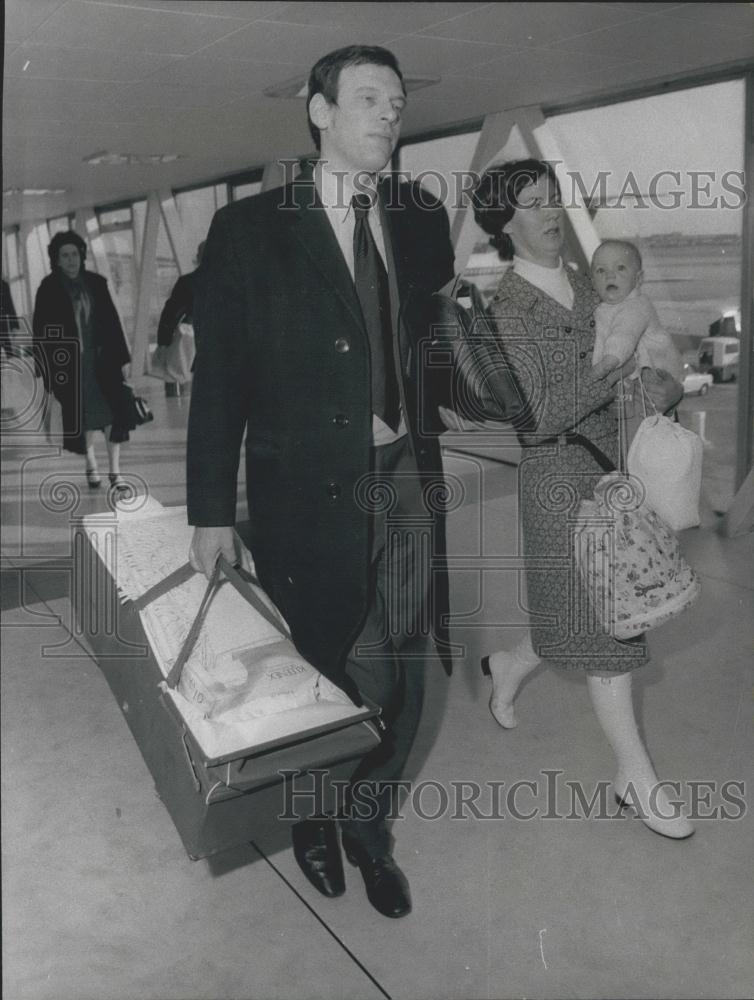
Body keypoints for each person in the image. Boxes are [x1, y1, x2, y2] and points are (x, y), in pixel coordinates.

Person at [186, 45, 455, 918]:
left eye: (398, 101)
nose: (388, 114)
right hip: (304, 487)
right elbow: (221, 379)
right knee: (315, 659)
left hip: (405, 473)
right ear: (319, 111)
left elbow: (425, 346)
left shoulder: (419, 216)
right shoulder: (252, 228)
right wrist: (208, 512)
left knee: (401, 660)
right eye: (369, 98)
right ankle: (310, 816)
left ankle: (367, 828)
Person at [472, 159, 694, 840]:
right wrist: (616, 370)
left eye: (552, 199)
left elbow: (657, 357)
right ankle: (636, 776)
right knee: (610, 631)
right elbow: (539, 416)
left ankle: (509, 665)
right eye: (531, 205)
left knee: (581, 613)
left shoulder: (591, 280)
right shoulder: (507, 308)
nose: (549, 213)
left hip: (613, 473)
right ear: (504, 225)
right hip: (557, 481)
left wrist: (667, 387)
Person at [32, 231, 132, 494]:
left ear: (81, 255)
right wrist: (45, 371)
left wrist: (123, 358)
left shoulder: (97, 283)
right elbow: (40, 329)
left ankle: (116, 471)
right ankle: (91, 466)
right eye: (64, 255)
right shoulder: (48, 287)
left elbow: (112, 322)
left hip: (103, 362)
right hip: (71, 367)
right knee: (84, 419)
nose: (71, 260)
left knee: (113, 416)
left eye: (74, 254)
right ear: (56, 259)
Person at [590, 239, 683, 381]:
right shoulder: (601, 309)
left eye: (620, 268)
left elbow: (624, 335)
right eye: (601, 270)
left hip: (657, 372)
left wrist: (605, 364)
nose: (610, 275)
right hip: (629, 374)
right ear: (593, 282)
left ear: (638, 279)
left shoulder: (637, 305)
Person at [155, 241, 204, 397]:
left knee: (179, 383)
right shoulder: (230, 283)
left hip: (191, 344)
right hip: (220, 347)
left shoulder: (188, 282)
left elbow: (171, 313)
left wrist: (163, 341)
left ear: (197, 257)